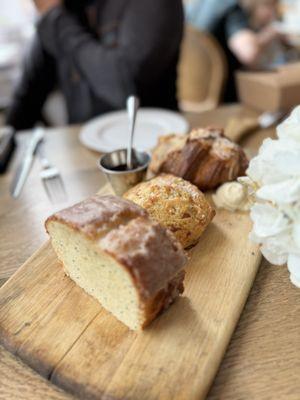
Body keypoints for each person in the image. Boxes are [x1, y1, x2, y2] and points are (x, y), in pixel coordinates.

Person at [6, 0, 183, 130]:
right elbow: (25, 101)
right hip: (80, 152)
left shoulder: (153, 4)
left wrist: (56, 20)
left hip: (153, 147)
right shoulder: (63, 10)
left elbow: (126, 87)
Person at [185, 0, 283, 102]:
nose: (272, 13)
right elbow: (249, 53)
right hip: (222, 95)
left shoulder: (199, 4)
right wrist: (271, 33)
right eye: (269, 5)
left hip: (190, 91)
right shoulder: (233, 8)